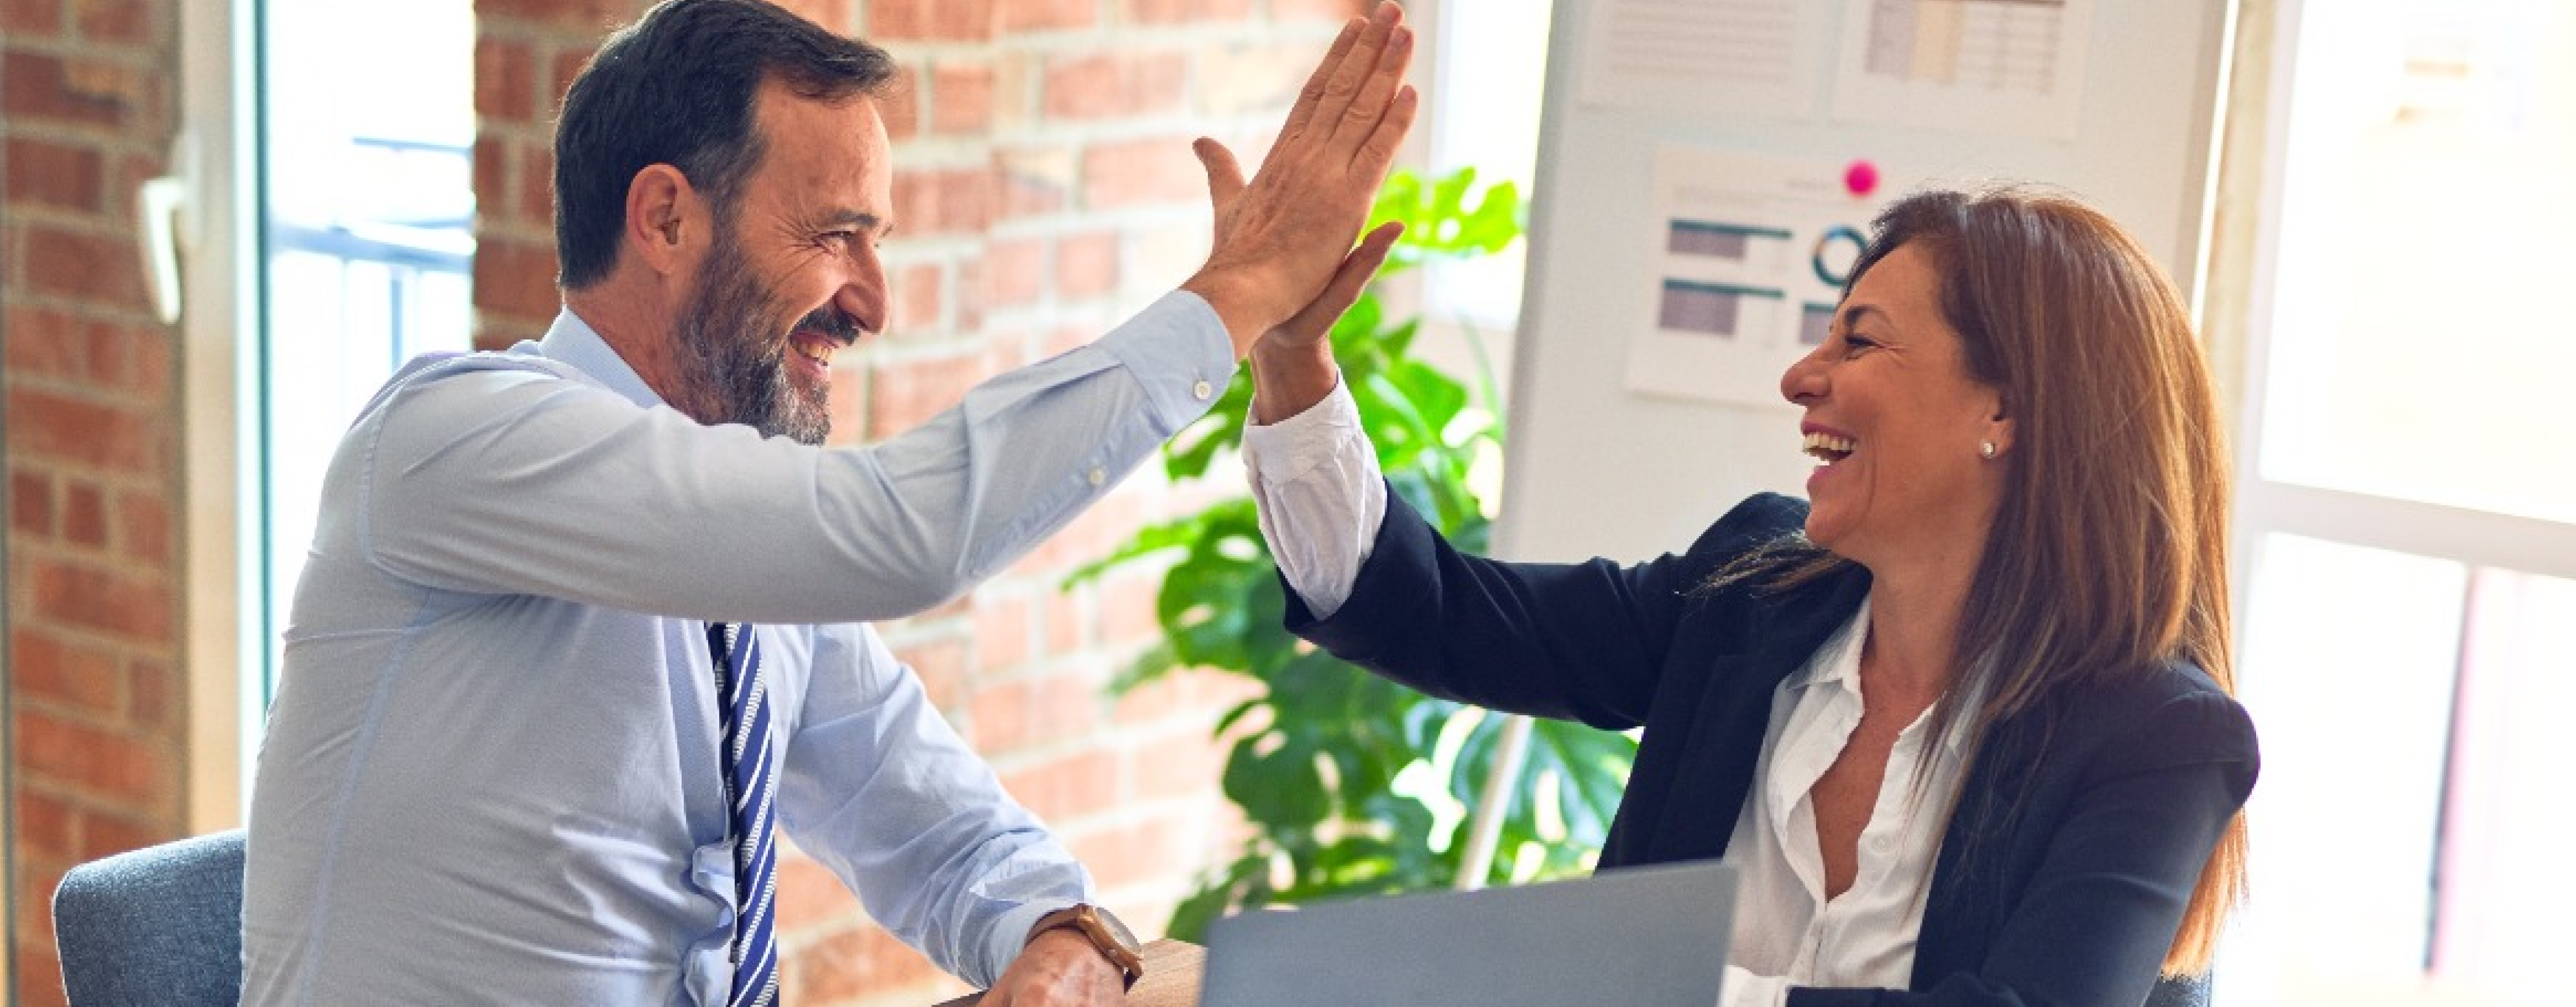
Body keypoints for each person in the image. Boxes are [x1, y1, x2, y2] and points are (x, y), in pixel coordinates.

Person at [238, 0, 1418, 1003]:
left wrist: (1058, 934)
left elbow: (923, 813)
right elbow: (897, 536)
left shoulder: (747, 564)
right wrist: (1240, 290)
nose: (873, 302)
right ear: (664, 219)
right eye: (835, 235)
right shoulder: (454, 439)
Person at [1240, 187, 2257, 1006]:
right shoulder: (1753, 589)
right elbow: (1434, 612)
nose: (1800, 377)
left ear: (2005, 409)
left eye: (1860, 342)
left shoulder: (2159, 738)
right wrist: (1292, 356)